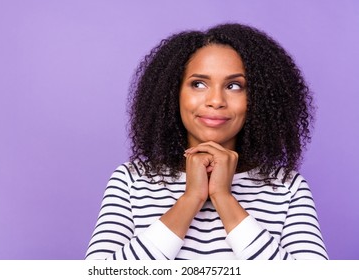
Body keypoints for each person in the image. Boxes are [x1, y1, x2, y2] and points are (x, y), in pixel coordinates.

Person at [85, 23, 328, 260]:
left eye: (234, 86)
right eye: (198, 84)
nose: (215, 100)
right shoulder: (131, 180)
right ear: (173, 93)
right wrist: (191, 199)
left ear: (259, 98)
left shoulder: (288, 187)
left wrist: (224, 198)